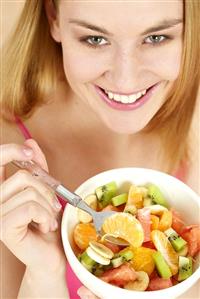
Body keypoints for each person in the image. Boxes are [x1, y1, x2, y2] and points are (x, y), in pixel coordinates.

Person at [1, 0, 199, 298]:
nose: (125, 79)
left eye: (156, 38)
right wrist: (44, 276)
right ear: (53, 18)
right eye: (95, 39)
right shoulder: (6, 156)